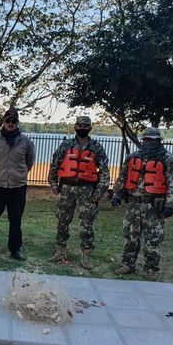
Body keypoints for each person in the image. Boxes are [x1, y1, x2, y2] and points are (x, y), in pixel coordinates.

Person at [111, 127, 173, 281]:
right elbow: (122, 177)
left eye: (152, 140)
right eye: (146, 139)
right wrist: (116, 195)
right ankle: (128, 264)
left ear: (158, 141)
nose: (149, 142)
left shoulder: (167, 159)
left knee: (153, 239)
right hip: (133, 204)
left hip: (154, 205)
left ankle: (151, 269)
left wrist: (170, 204)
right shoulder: (132, 157)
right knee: (130, 236)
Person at [48, 116, 110, 270]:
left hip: (87, 190)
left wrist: (99, 190)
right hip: (67, 189)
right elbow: (54, 164)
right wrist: (54, 184)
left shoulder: (96, 147)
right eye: (79, 125)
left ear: (90, 128)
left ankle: (86, 255)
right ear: (75, 126)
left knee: (87, 223)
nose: (82, 128)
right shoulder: (66, 145)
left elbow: (104, 172)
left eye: (85, 126)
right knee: (62, 220)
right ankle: (60, 251)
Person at [0, 107, 35, 262]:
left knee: (16, 220)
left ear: (17, 123)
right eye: (8, 120)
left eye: (13, 121)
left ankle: (15, 249)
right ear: (4, 122)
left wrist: (18, 175)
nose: (10, 123)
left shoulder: (26, 142)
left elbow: (29, 162)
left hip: (17, 187)